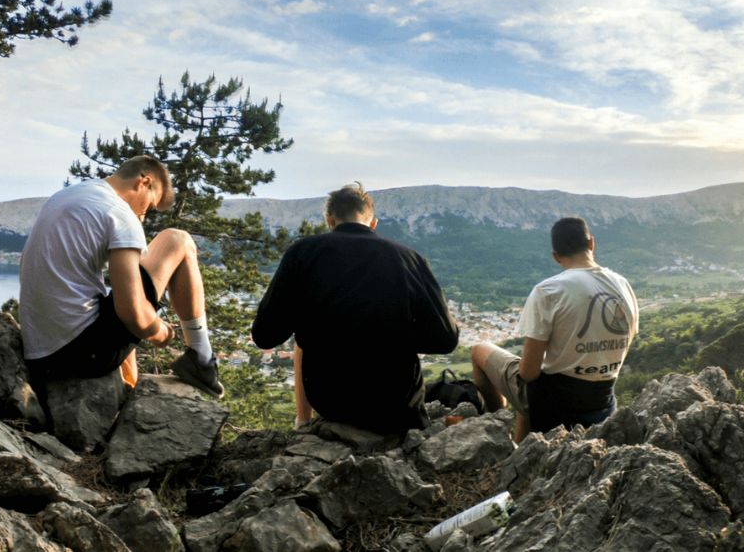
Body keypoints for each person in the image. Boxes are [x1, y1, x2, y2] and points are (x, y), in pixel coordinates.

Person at [251, 183, 459, 433]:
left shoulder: (302, 253)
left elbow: (264, 335)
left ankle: (303, 421)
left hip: (333, 402)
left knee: (302, 343)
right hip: (397, 405)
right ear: (373, 223)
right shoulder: (409, 259)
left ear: (330, 220)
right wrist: (393, 334)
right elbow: (445, 340)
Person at [19, 156, 224, 399]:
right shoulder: (118, 212)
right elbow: (132, 314)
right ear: (144, 182)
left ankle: (130, 384)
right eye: (148, 206)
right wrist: (160, 332)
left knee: (123, 291)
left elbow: (121, 299)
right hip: (79, 354)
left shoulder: (69, 195)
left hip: (39, 355)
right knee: (178, 240)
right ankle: (201, 358)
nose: (144, 216)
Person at [471, 216, 639, 442]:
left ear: (555, 256)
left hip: (554, 403)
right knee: (532, 386)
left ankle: (496, 431)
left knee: (479, 350)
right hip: (602, 401)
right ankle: (521, 449)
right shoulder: (623, 284)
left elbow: (528, 373)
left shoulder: (549, 290)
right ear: (592, 244)